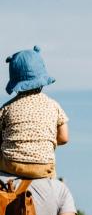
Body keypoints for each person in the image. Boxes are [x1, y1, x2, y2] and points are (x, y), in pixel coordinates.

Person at [0, 46, 69, 179]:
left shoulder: (7, 108)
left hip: (12, 164)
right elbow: (64, 138)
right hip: (44, 166)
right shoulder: (54, 105)